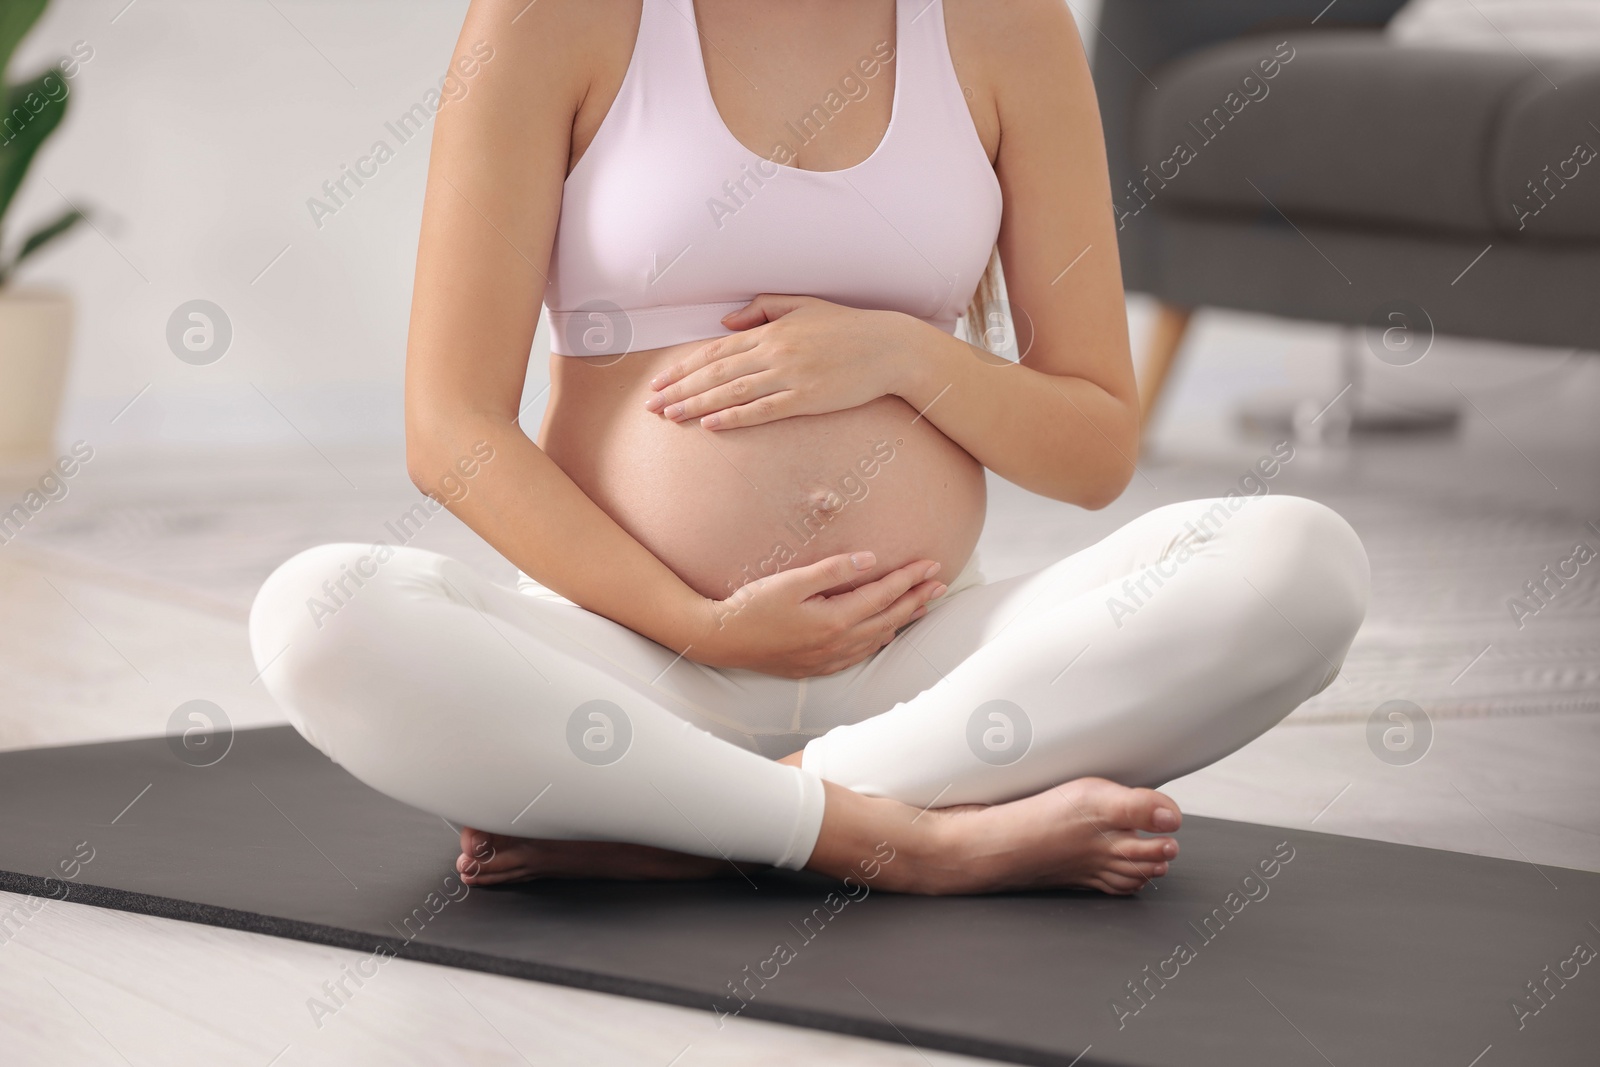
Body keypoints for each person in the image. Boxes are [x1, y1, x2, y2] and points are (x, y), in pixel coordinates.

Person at [249, 0, 1369, 896]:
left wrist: (904, 357)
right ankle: (917, 840)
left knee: (1298, 557)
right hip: (632, 665)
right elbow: (450, 433)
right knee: (317, 609)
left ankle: (722, 823)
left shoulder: (1003, 26)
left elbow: (1092, 450)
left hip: (921, 667)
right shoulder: (555, 17)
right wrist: (698, 622)